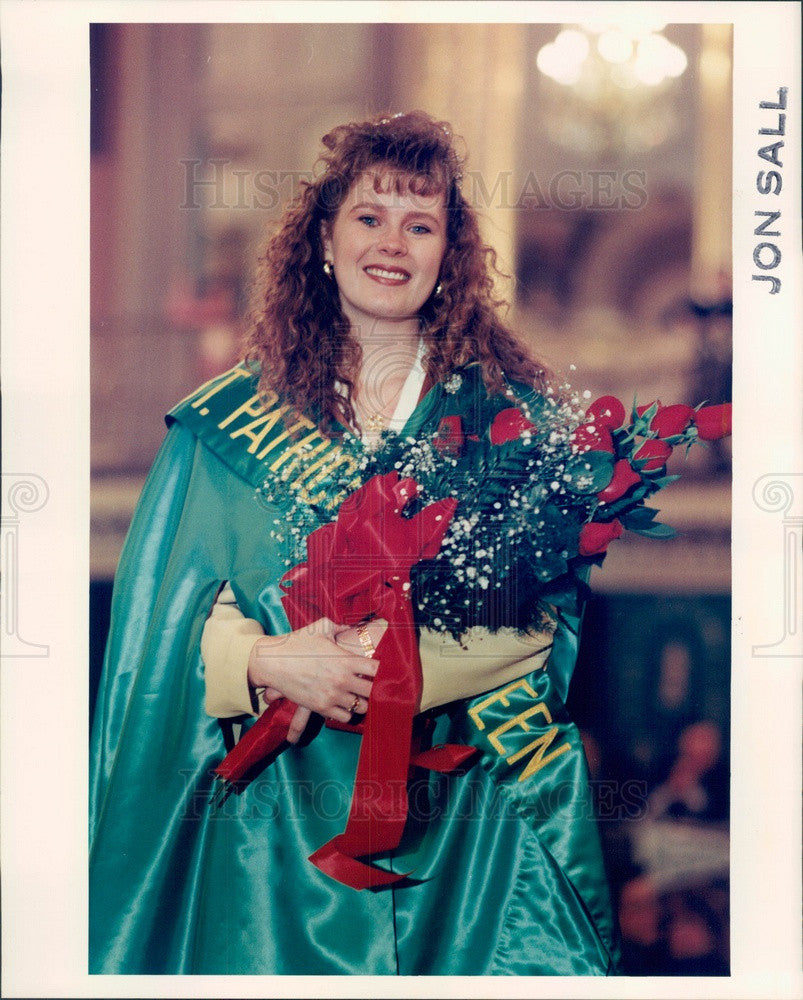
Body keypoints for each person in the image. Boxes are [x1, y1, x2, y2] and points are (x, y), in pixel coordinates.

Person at [89, 111, 620, 975]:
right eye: (368, 218)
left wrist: (381, 665)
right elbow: (162, 632)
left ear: (449, 257)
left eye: (421, 225)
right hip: (274, 835)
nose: (392, 244)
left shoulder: (510, 423)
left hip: (465, 835)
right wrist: (262, 662)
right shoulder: (226, 424)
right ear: (323, 242)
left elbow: (545, 624)